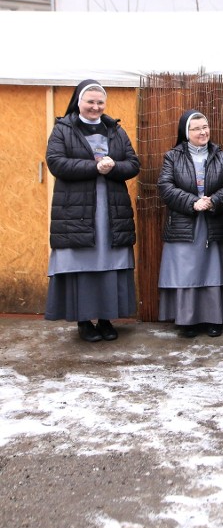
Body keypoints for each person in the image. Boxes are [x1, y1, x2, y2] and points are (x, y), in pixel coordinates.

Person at [44, 79, 140, 342]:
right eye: (90, 102)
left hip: (110, 209)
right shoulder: (63, 129)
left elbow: (133, 163)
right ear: (78, 101)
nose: (95, 107)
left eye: (100, 102)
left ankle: (107, 319)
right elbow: (56, 163)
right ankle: (84, 321)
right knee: (82, 265)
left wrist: (114, 167)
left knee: (108, 264)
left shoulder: (115, 130)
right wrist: (94, 167)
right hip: (76, 210)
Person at [157, 110, 223, 338]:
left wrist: (213, 202)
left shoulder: (221, 156)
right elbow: (165, 186)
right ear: (185, 132)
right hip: (185, 222)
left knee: (213, 270)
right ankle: (187, 320)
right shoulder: (172, 157)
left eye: (205, 127)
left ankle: (215, 319)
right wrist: (193, 202)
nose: (203, 132)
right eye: (196, 128)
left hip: (213, 221)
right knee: (187, 271)